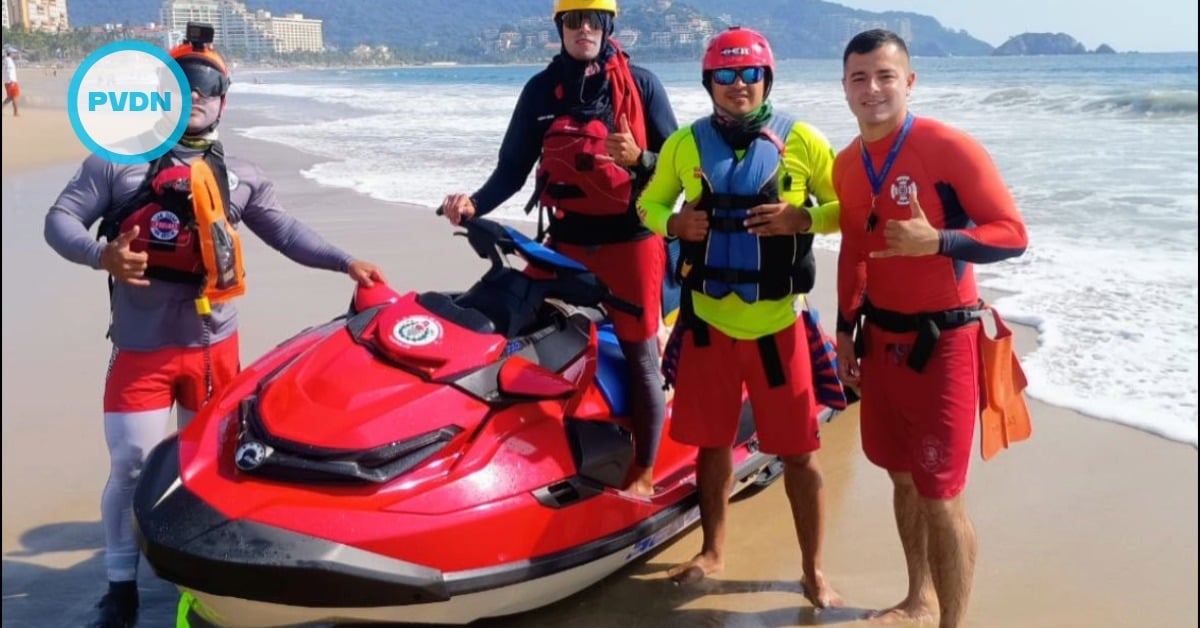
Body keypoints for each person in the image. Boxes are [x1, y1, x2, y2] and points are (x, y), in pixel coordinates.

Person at [43, 26, 383, 628]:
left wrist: (344, 259)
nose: (196, 95)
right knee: (130, 466)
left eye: (209, 85)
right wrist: (103, 256)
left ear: (224, 97)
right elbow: (60, 219)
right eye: (183, 83)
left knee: (210, 473)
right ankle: (120, 586)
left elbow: (284, 230)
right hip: (143, 352)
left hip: (213, 351)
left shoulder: (241, 173)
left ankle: (194, 580)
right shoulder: (118, 161)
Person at [636, 26, 843, 608]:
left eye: (749, 74)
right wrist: (673, 225)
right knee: (712, 444)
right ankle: (713, 551)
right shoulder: (683, 144)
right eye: (724, 76)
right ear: (708, 83)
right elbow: (647, 202)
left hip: (779, 329)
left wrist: (805, 220)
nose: (738, 86)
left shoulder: (803, 140)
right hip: (707, 326)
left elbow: (848, 208)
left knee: (800, 454)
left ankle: (814, 570)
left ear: (766, 78)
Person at [438, 0, 678, 497]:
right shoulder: (541, 90)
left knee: (640, 356)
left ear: (608, 25)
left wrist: (641, 158)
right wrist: (473, 203)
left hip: (631, 243)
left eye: (593, 20)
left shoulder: (643, 85)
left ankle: (645, 471)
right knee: (518, 328)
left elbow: (678, 168)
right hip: (566, 239)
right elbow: (512, 169)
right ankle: (515, 443)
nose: (584, 28)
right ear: (560, 28)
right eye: (573, 20)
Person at [833, 29, 1028, 627]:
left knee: (942, 497)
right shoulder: (848, 164)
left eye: (885, 76)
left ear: (909, 82)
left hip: (945, 343)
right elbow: (853, 252)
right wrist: (844, 332)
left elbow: (1013, 234)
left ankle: (952, 622)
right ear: (844, 87)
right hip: (881, 341)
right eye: (860, 78)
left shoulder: (948, 149)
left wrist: (937, 240)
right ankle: (917, 599)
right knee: (902, 479)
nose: (873, 89)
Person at [3, 48, 19, 117]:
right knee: (14, 97)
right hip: (11, 81)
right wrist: (12, 81)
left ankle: (15, 112)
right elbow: (9, 71)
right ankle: (16, 113)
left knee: (10, 97)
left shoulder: (7, 60)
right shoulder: (8, 61)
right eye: (14, 53)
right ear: (11, 53)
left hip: (9, 81)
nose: (15, 54)